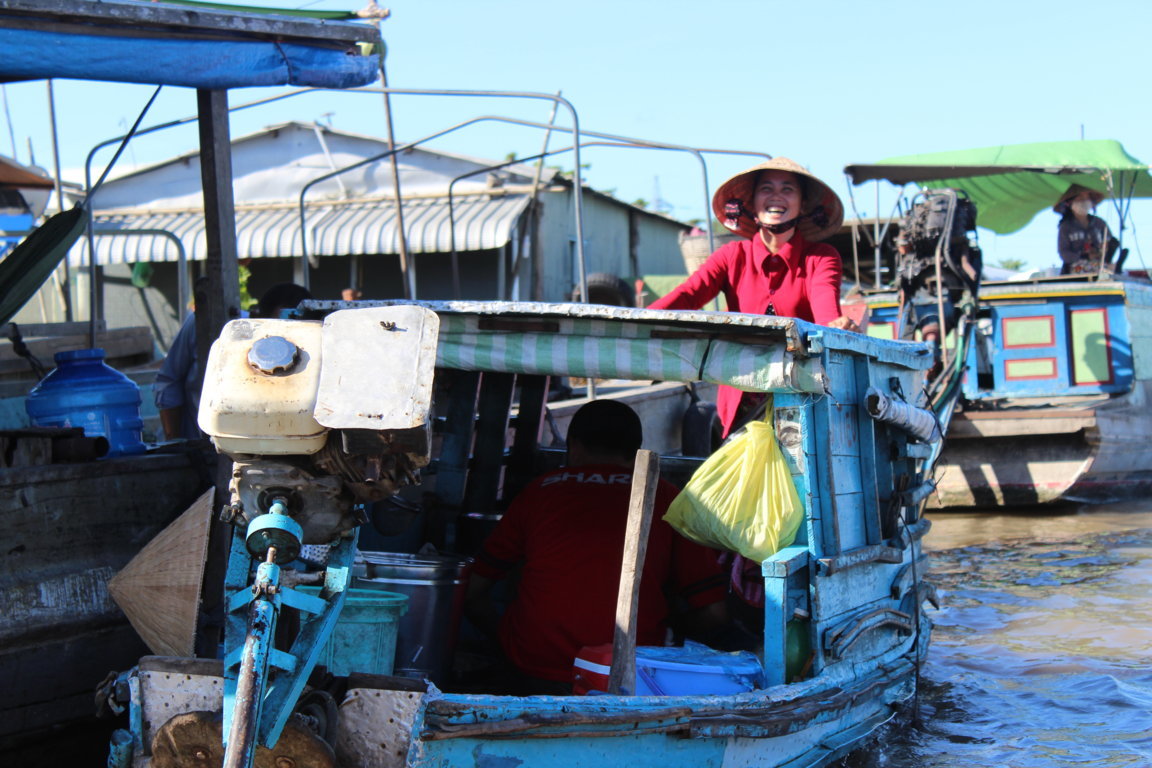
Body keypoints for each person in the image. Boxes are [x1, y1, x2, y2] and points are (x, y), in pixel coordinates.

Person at [464, 400, 728, 694]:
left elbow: (472, 592)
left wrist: (507, 641)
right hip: (630, 678)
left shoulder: (539, 491)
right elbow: (715, 614)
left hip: (533, 671)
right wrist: (669, 628)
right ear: (637, 449)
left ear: (574, 445)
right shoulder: (668, 499)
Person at [648, 157, 856, 435]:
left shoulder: (820, 258)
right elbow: (688, 295)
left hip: (799, 397)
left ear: (803, 204)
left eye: (787, 189)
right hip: (741, 398)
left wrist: (837, 325)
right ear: (753, 202)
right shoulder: (731, 256)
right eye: (766, 189)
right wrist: (635, 320)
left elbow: (825, 312)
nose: (776, 197)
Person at [153, 281, 312, 440]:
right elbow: (169, 382)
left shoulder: (310, 350)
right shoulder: (204, 325)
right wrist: (175, 441)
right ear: (256, 317)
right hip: (197, 445)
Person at [1055, 185, 1116, 275]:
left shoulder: (1099, 223)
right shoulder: (1066, 227)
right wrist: (1084, 256)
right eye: (1080, 198)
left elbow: (1110, 241)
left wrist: (1104, 250)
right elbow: (1064, 253)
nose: (1084, 202)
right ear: (1070, 203)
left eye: (1087, 198)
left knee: (1113, 270)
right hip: (1076, 268)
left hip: (1101, 264)